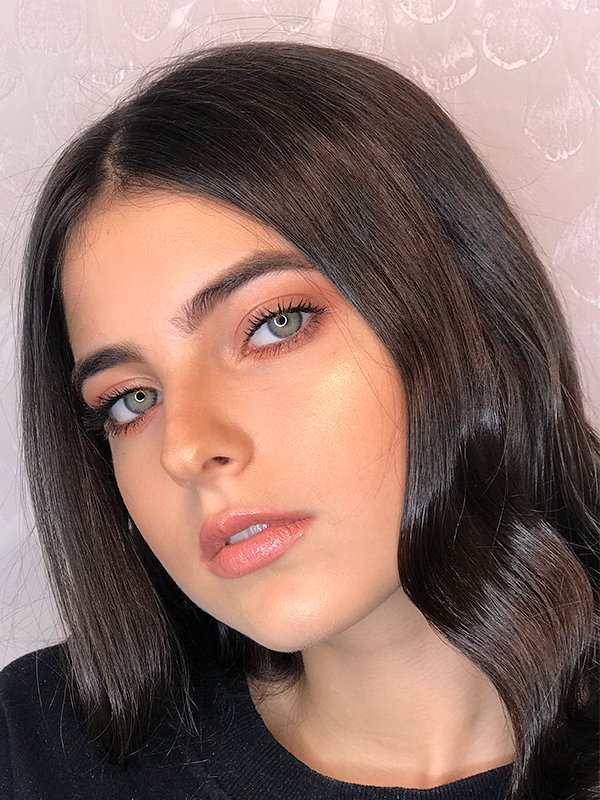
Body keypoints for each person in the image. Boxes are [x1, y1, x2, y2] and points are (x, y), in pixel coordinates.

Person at [0, 39, 597, 800]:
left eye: (273, 325)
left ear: (469, 311)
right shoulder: (36, 750)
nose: (186, 448)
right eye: (131, 400)